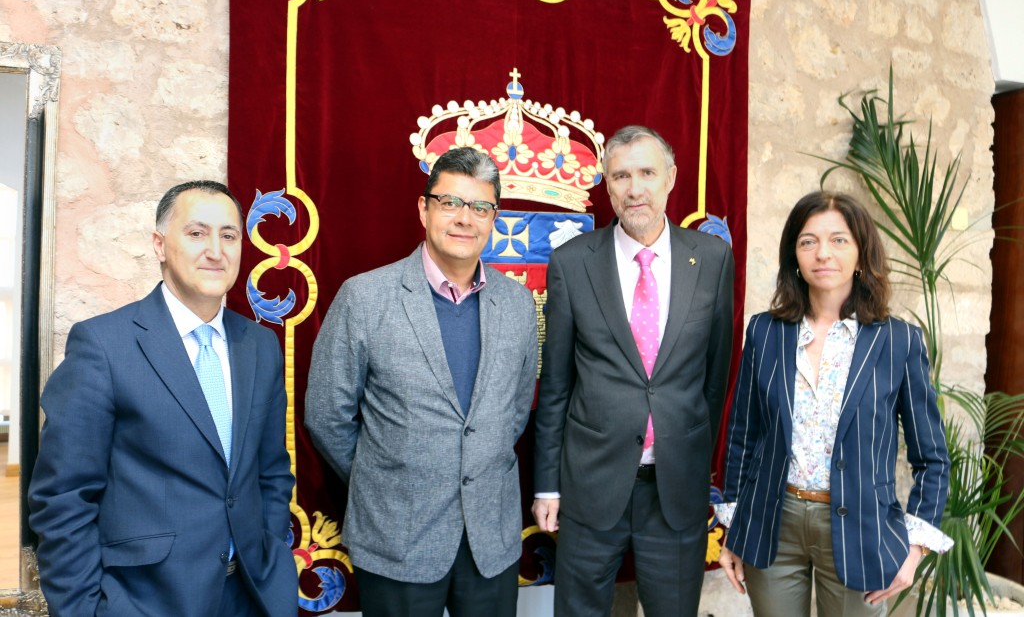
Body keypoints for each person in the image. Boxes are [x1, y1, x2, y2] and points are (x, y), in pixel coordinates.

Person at [28, 180, 298, 616]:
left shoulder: (259, 345)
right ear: (159, 245)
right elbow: (63, 497)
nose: (216, 250)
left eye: (228, 236)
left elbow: (271, 471)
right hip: (144, 601)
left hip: (250, 595)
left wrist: (271, 558)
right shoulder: (103, 345)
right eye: (196, 233)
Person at [305, 147, 538, 617]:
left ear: (494, 218)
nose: (464, 219)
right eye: (450, 202)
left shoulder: (517, 304)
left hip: (488, 542)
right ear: (424, 208)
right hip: (397, 537)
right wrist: (389, 477)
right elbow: (327, 415)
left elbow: (513, 411)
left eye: (479, 207)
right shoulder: (365, 298)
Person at [715, 190, 952, 616]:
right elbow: (742, 436)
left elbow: (932, 457)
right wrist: (735, 527)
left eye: (839, 240)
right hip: (774, 523)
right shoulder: (766, 332)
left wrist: (914, 548)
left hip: (861, 529)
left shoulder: (899, 341)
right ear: (795, 256)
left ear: (861, 255)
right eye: (808, 241)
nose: (823, 253)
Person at [532, 125, 736, 616]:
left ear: (671, 178)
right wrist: (547, 485)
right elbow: (555, 384)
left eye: (646, 172)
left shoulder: (711, 259)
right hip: (589, 485)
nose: (634, 188)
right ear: (607, 184)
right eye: (621, 175)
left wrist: (689, 453)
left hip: (675, 491)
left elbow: (716, 376)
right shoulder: (572, 262)